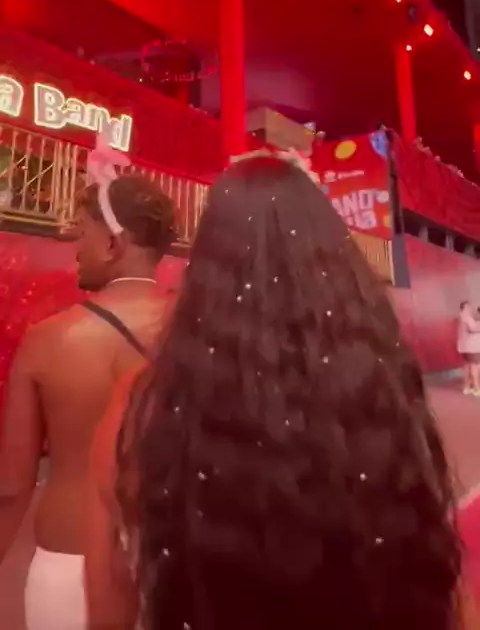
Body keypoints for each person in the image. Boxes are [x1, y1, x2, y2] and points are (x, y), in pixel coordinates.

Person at [85, 151, 468, 630]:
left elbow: (109, 606)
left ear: (204, 265)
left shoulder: (140, 410)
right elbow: (439, 578)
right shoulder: (380, 391)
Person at [0, 164, 175, 630]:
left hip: (66, 565)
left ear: (114, 244)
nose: (75, 248)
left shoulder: (48, 340)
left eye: (82, 234)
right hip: (167, 567)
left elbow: (12, 488)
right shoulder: (197, 333)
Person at [457, 301, 480, 396]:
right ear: (464, 308)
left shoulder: (462, 317)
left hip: (465, 347)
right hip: (472, 348)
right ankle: (477, 388)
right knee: (475, 367)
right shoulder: (467, 317)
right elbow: (474, 328)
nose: (471, 309)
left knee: (467, 367)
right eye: (468, 307)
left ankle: (467, 387)